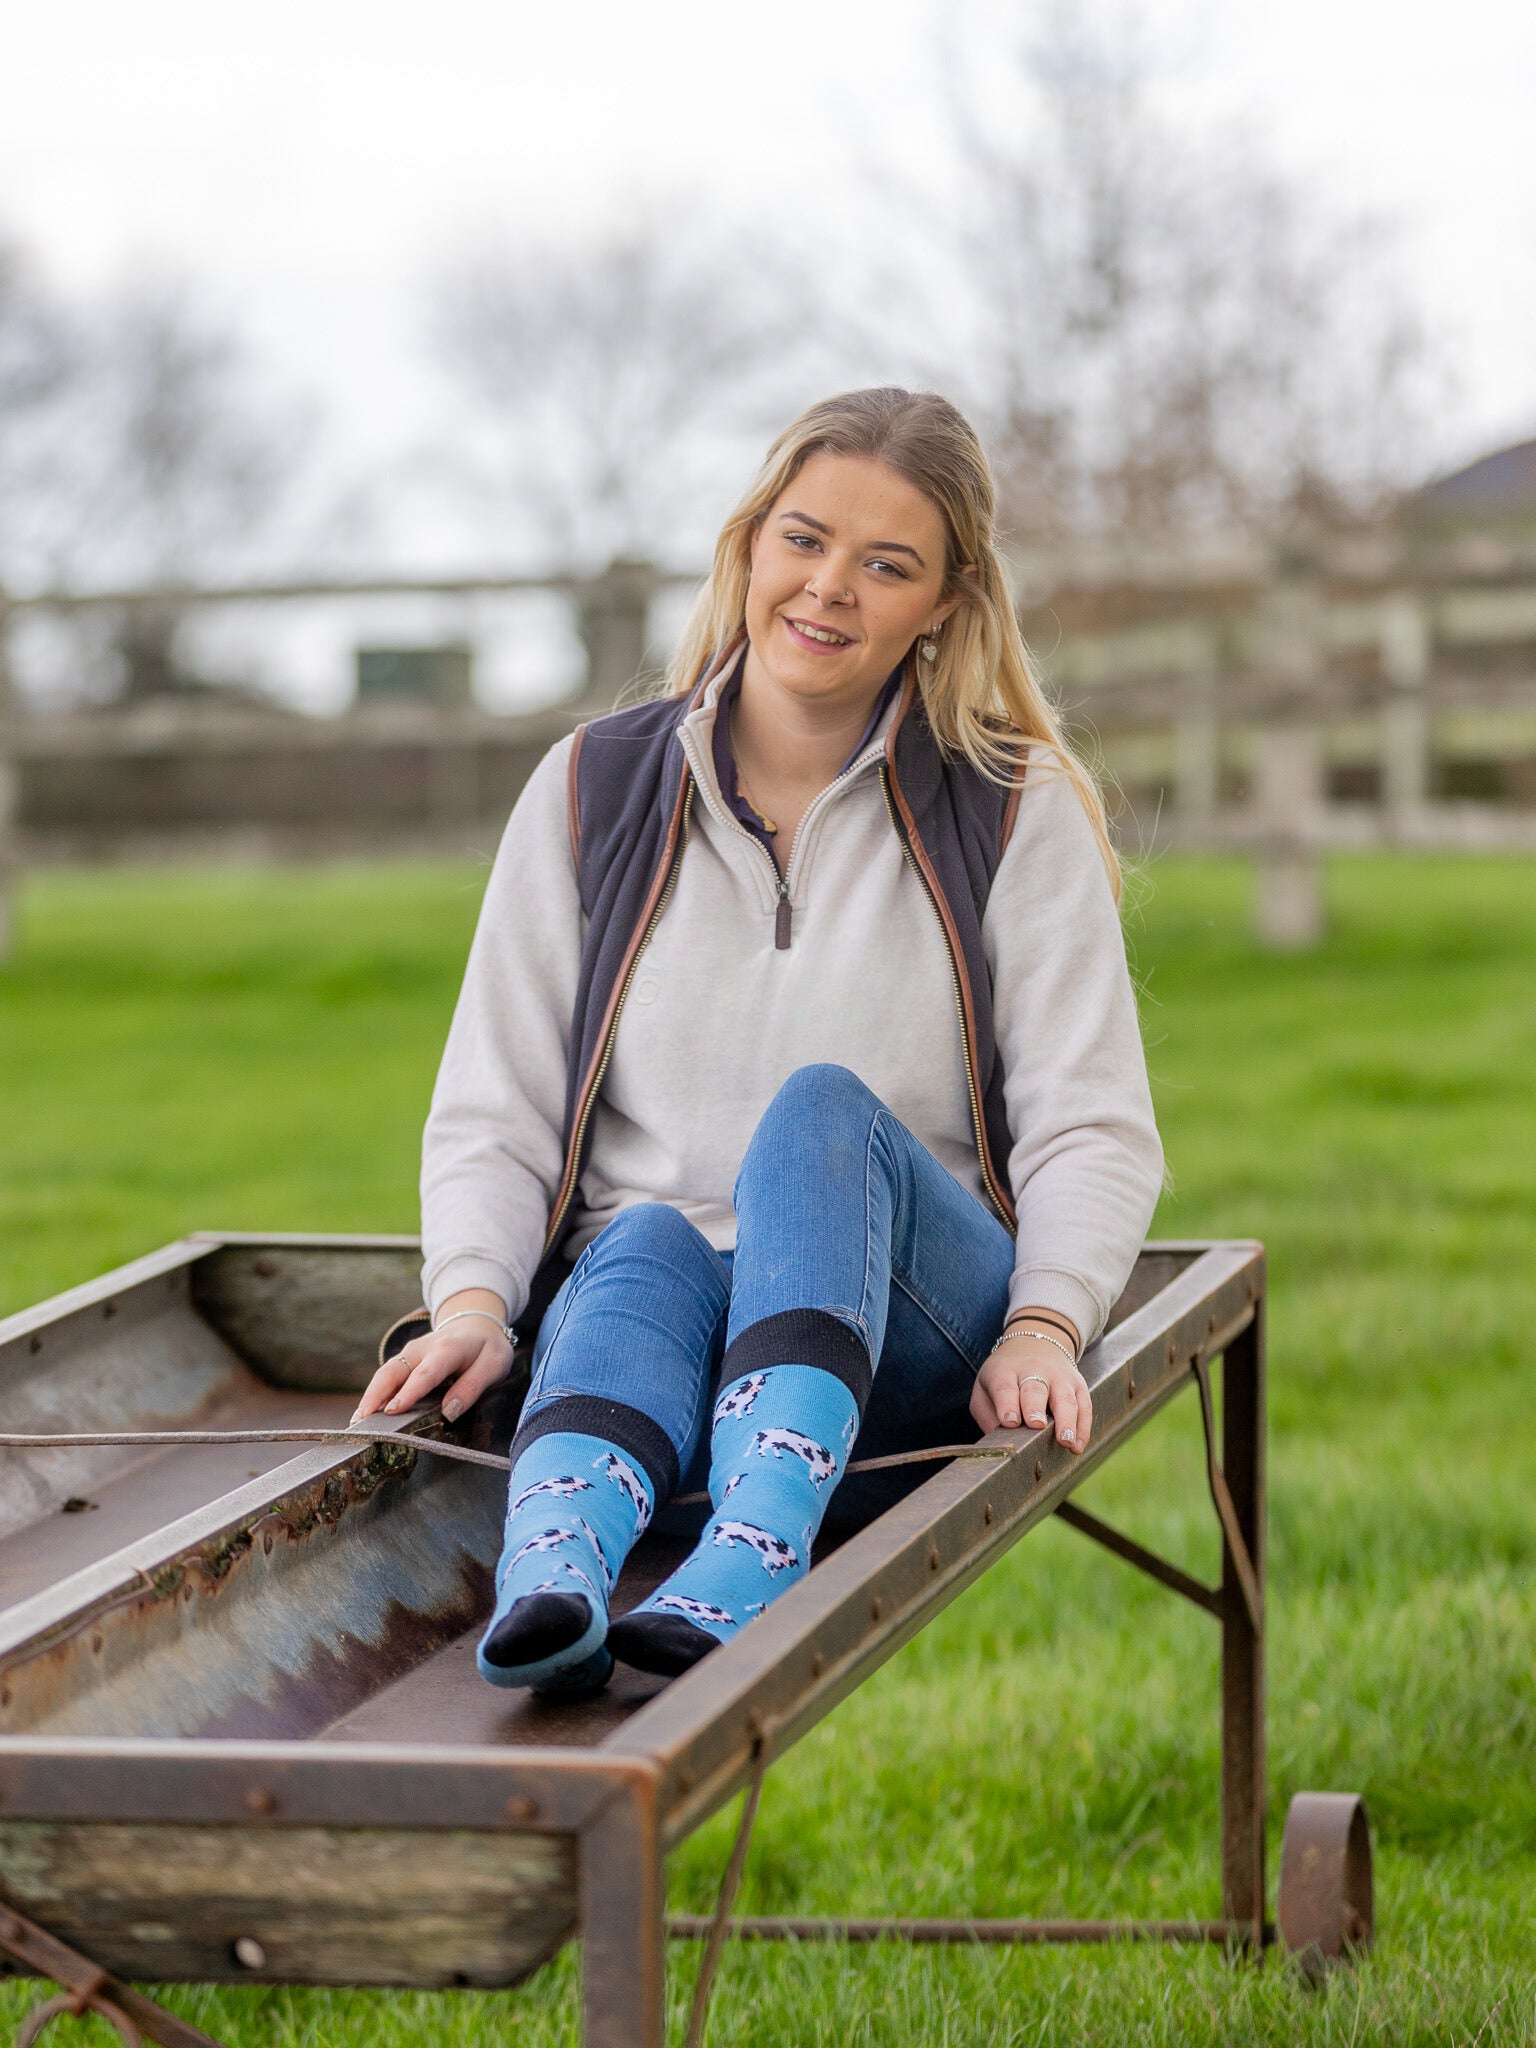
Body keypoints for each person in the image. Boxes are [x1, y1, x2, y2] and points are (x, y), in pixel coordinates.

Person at [354, 387, 1163, 1697]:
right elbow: (496, 1106)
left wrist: (1046, 1326)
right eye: (804, 539)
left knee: (822, 1116)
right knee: (647, 1238)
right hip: (662, 1329)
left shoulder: (1009, 806)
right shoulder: (592, 789)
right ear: (748, 544)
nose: (828, 588)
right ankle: (555, 1575)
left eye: (885, 564)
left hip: (903, 1330)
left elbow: (1091, 1120)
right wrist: (473, 1301)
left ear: (946, 604)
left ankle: (755, 1546)